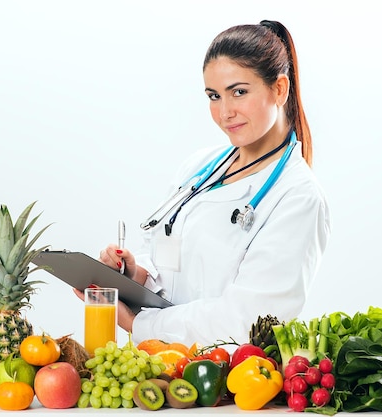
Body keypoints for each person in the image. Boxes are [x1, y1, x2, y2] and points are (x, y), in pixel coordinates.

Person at [89, 20, 331, 347]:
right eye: (214, 96)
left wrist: (137, 323)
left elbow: (248, 319)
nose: (225, 112)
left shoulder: (299, 197)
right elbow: (166, 260)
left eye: (239, 92)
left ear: (280, 89)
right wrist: (133, 275)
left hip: (226, 382)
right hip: (161, 370)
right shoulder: (200, 167)